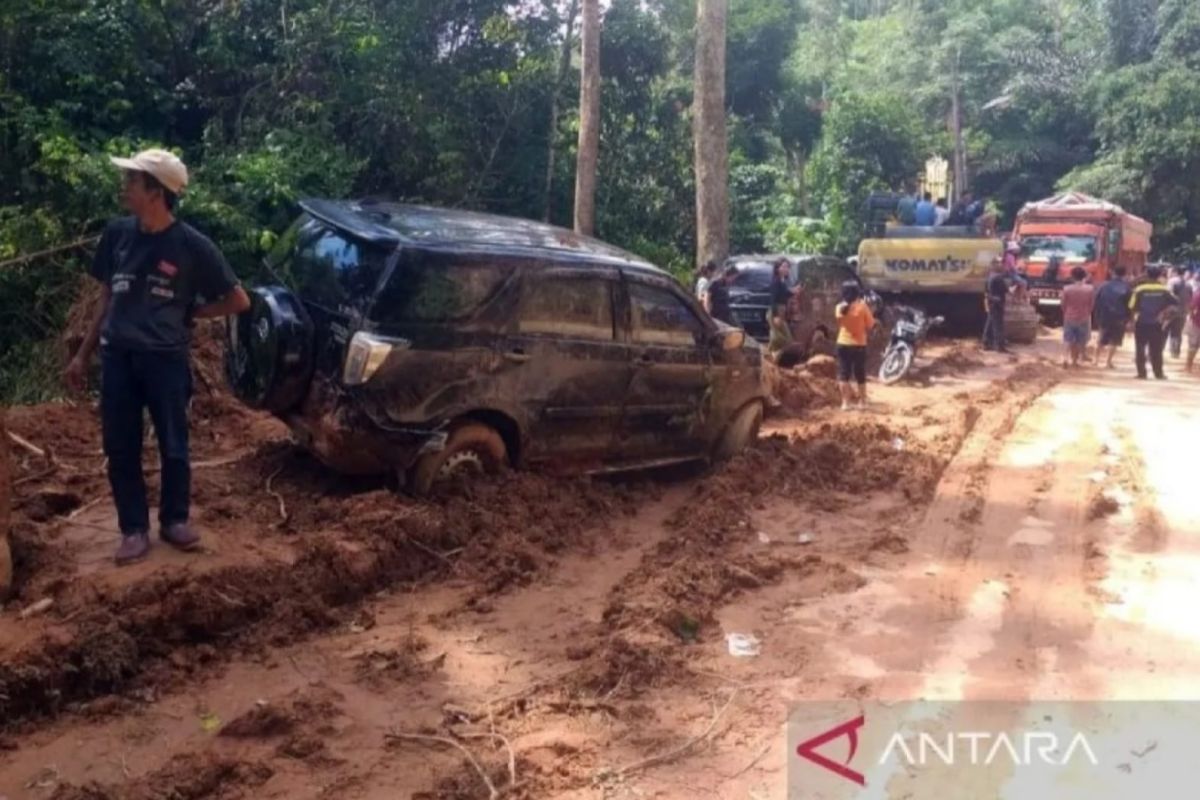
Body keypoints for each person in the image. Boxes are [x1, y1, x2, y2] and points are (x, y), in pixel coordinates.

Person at [64, 149, 251, 565]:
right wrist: (82, 355)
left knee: (173, 443)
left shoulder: (192, 245)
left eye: (132, 180)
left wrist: (193, 313)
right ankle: (133, 529)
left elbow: (238, 300)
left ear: (156, 192)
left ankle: (174, 520)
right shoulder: (117, 234)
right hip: (118, 358)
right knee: (120, 444)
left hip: (165, 360)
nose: (125, 187)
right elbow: (106, 298)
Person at [1128, 265, 1178, 380]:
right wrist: (1164, 313)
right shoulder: (1164, 289)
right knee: (1156, 349)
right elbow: (1175, 304)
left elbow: (1131, 307)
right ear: (1159, 275)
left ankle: (1142, 373)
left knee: (1140, 348)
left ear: (1147, 274)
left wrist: (1131, 323)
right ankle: (1158, 373)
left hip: (1142, 322)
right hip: (1157, 324)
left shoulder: (1139, 289)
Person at [834, 281, 876, 411]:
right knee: (860, 374)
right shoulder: (862, 307)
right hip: (859, 345)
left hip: (842, 343)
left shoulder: (839, 308)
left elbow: (840, 322)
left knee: (843, 373)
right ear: (857, 293)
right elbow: (870, 325)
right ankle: (862, 402)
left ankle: (845, 403)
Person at [1094, 266, 1133, 369]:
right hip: (1120, 317)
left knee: (1101, 338)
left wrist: (1097, 314)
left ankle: (1095, 360)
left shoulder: (1103, 286)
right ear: (1125, 275)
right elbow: (1130, 305)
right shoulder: (1127, 287)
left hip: (1105, 315)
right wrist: (1129, 320)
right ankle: (1108, 362)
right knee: (1114, 340)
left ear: (1113, 273)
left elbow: (1096, 300)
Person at [1060, 267, 1096, 368]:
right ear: (1084, 276)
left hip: (1069, 316)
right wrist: (1087, 312)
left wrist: (1066, 312)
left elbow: (1063, 304)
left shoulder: (1066, 289)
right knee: (1081, 340)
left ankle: (1065, 358)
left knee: (1068, 339)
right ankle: (1076, 361)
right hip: (1084, 317)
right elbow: (1092, 305)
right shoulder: (1090, 289)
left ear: (1072, 276)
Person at [767, 258, 798, 356]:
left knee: (777, 336)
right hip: (776, 311)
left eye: (787, 267)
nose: (786, 269)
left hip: (782, 311)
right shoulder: (776, 281)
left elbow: (783, 295)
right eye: (783, 267)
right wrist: (776, 315)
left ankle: (770, 355)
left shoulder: (783, 281)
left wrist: (792, 291)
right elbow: (773, 300)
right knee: (782, 338)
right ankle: (771, 355)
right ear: (777, 268)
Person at [983, 258, 1010, 353]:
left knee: (990, 323)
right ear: (995, 265)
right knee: (998, 325)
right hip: (998, 303)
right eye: (999, 263)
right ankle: (1000, 346)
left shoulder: (989, 277)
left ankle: (986, 343)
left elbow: (986, 291)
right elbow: (1006, 290)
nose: (1001, 265)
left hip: (991, 302)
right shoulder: (999, 278)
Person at [1167, 266, 1193, 358]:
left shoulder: (1172, 281)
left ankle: (1157, 352)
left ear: (1176, 272)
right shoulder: (1189, 285)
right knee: (1177, 332)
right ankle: (1175, 352)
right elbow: (1191, 299)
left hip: (1171, 311)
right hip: (1183, 312)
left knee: (1164, 331)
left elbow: (1168, 295)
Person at [1186, 286, 1200, 373]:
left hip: (1197, 323)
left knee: (1193, 345)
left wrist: (1191, 316)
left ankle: (1188, 366)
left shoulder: (1198, 294)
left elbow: (1191, 307)